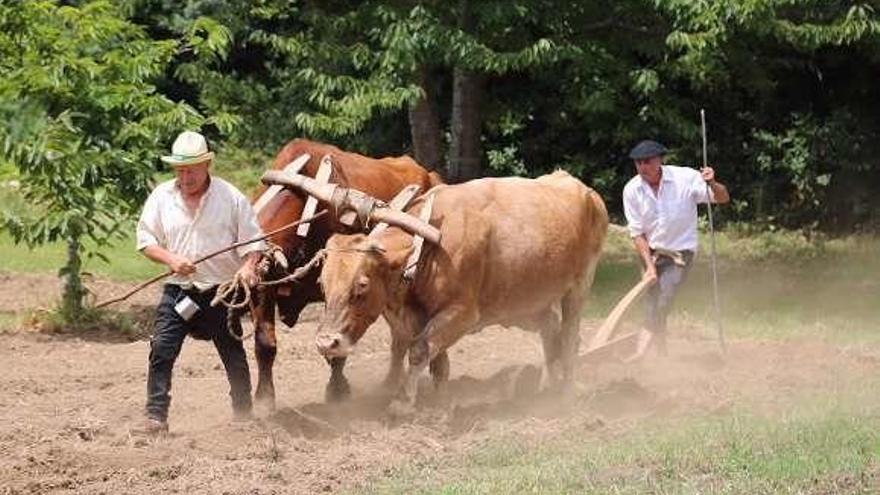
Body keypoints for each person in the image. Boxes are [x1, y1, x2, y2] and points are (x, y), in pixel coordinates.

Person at [135, 131, 265, 434]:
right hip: (180, 290)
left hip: (221, 291)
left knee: (232, 353)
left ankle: (243, 415)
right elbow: (145, 240)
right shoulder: (161, 197)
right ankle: (155, 417)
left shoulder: (231, 197)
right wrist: (171, 260)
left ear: (207, 164)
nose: (185, 176)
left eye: (191, 169)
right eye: (180, 170)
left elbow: (254, 243)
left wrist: (248, 266)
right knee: (162, 348)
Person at [622, 139, 730, 361]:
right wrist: (649, 266)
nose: (642, 167)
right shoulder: (632, 190)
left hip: (680, 254)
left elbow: (722, 198)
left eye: (647, 161)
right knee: (651, 303)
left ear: (660, 160)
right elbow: (637, 233)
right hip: (651, 253)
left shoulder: (686, 178)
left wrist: (713, 183)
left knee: (664, 298)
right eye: (638, 163)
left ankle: (641, 352)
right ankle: (661, 354)